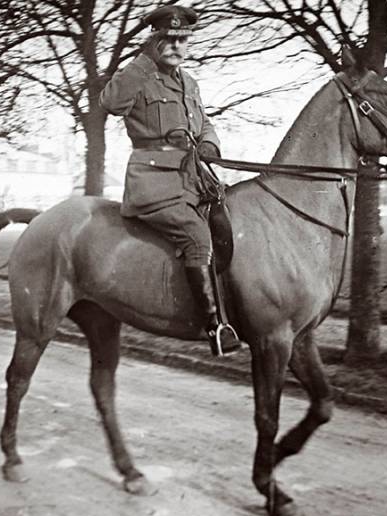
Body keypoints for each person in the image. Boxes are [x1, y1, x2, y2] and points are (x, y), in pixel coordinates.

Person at [99, 5, 242, 356]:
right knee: (196, 236)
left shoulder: (188, 82)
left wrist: (209, 143)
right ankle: (215, 326)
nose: (177, 45)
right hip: (153, 184)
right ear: (154, 41)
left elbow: (203, 123)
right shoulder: (139, 74)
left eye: (183, 39)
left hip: (191, 180)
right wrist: (145, 60)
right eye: (168, 39)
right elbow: (111, 102)